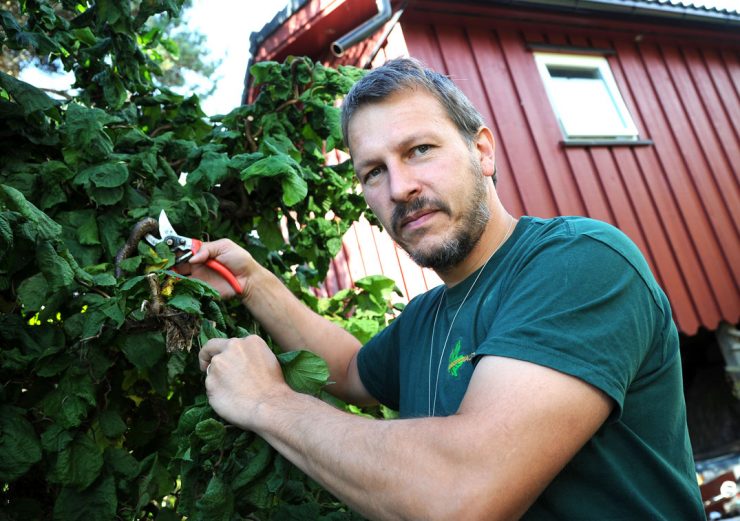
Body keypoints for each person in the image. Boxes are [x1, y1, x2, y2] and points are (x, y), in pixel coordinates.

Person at [186, 58, 705, 519]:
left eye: (419, 150)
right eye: (373, 172)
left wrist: (266, 402)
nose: (399, 188)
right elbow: (346, 370)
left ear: (482, 152)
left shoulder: (579, 262)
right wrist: (252, 281)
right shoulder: (426, 318)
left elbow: (460, 493)